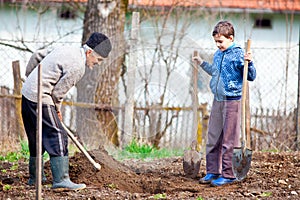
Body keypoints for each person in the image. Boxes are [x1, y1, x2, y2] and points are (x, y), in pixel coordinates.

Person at [21, 32, 112, 191]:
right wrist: (57, 110)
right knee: (58, 134)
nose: (98, 63)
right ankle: (61, 180)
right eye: (98, 60)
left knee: (37, 135)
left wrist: (31, 78)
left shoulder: (66, 49)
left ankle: (35, 178)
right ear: (89, 52)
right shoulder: (78, 66)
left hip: (27, 93)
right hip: (40, 97)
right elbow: (58, 93)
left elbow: (37, 56)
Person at [193, 21, 256, 186]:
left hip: (232, 101)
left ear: (230, 38)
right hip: (218, 99)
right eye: (216, 42)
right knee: (213, 137)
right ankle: (213, 171)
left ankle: (229, 173)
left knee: (229, 139)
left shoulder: (238, 54)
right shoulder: (218, 54)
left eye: (220, 41)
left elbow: (250, 76)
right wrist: (200, 62)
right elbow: (214, 71)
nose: (218, 45)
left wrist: (250, 63)